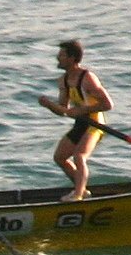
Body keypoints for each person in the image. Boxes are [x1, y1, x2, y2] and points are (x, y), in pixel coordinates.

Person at [36, 39, 114, 201]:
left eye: (61, 55)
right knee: (59, 157)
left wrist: (82, 110)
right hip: (81, 123)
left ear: (72, 58)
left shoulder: (88, 78)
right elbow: (63, 110)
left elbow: (107, 104)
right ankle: (82, 190)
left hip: (95, 124)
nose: (57, 58)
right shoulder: (63, 81)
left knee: (79, 156)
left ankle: (78, 196)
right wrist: (49, 105)